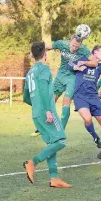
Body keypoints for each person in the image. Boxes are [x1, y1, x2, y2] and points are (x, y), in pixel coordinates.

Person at [23, 42, 72, 188]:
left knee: (52, 143)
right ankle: (33, 163)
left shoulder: (30, 73)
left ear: (32, 55)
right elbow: (44, 90)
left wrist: (38, 106)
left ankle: (54, 178)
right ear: (45, 54)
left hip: (37, 113)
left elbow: (26, 97)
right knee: (61, 141)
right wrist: (47, 110)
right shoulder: (44, 69)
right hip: (46, 112)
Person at [30, 35, 96, 136]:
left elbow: (95, 63)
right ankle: (42, 127)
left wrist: (84, 62)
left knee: (66, 100)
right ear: (70, 42)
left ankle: (61, 130)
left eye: (77, 47)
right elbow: (47, 47)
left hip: (72, 78)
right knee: (51, 99)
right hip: (60, 76)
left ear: (80, 45)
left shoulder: (84, 50)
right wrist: (35, 54)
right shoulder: (61, 44)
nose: (74, 48)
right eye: (73, 45)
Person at [70, 45, 101, 158]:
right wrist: (79, 65)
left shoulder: (100, 66)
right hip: (80, 96)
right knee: (87, 119)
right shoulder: (82, 58)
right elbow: (70, 65)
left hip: (94, 97)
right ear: (95, 52)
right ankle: (95, 137)